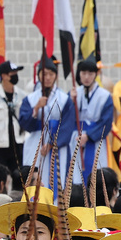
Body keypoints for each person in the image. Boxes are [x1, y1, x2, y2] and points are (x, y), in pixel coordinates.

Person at [19, 56, 76, 192]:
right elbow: (24, 122)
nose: (48, 78)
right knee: (33, 177)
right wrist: (37, 108)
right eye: (44, 74)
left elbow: (67, 126)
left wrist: (51, 143)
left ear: (56, 76)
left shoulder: (64, 99)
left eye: (51, 74)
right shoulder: (30, 99)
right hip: (35, 144)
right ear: (38, 75)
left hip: (56, 146)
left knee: (56, 178)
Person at [72, 58, 114, 181]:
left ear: (96, 74)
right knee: (75, 175)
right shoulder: (75, 93)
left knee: (96, 176)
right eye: (83, 73)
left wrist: (89, 136)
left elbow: (106, 123)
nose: (86, 77)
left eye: (90, 74)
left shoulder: (104, 96)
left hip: (96, 140)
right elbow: (67, 118)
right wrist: (70, 101)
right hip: (76, 139)